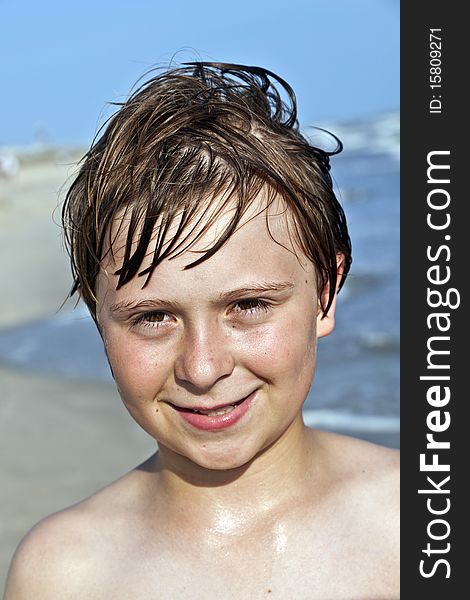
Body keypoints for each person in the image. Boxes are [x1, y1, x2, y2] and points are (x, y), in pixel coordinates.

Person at [4, 62, 399, 599]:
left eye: (249, 305)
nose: (204, 367)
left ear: (325, 293)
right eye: (153, 318)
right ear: (100, 317)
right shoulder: (64, 575)